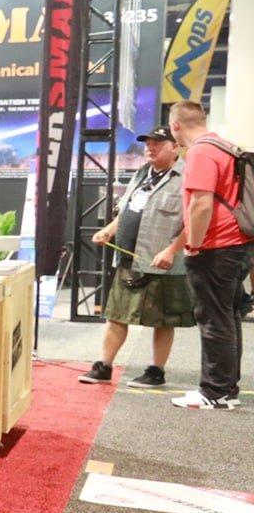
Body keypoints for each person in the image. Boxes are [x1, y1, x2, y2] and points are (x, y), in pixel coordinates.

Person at [79, 126, 193, 388]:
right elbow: (127, 210)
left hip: (163, 263)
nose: (150, 148)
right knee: (116, 315)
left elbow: (195, 221)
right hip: (129, 260)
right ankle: (104, 366)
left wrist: (171, 251)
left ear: (175, 147)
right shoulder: (142, 173)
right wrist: (108, 231)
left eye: (158, 144)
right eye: (148, 144)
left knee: (163, 321)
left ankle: (156, 371)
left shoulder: (186, 176)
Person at [168, 101, 254, 409]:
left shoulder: (202, 151)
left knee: (214, 319)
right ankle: (226, 389)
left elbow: (201, 204)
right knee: (227, 317)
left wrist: (194, 243)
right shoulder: (226, 146)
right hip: (239, 243)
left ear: (176, 125)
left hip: (217, 247)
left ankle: (214, 392)